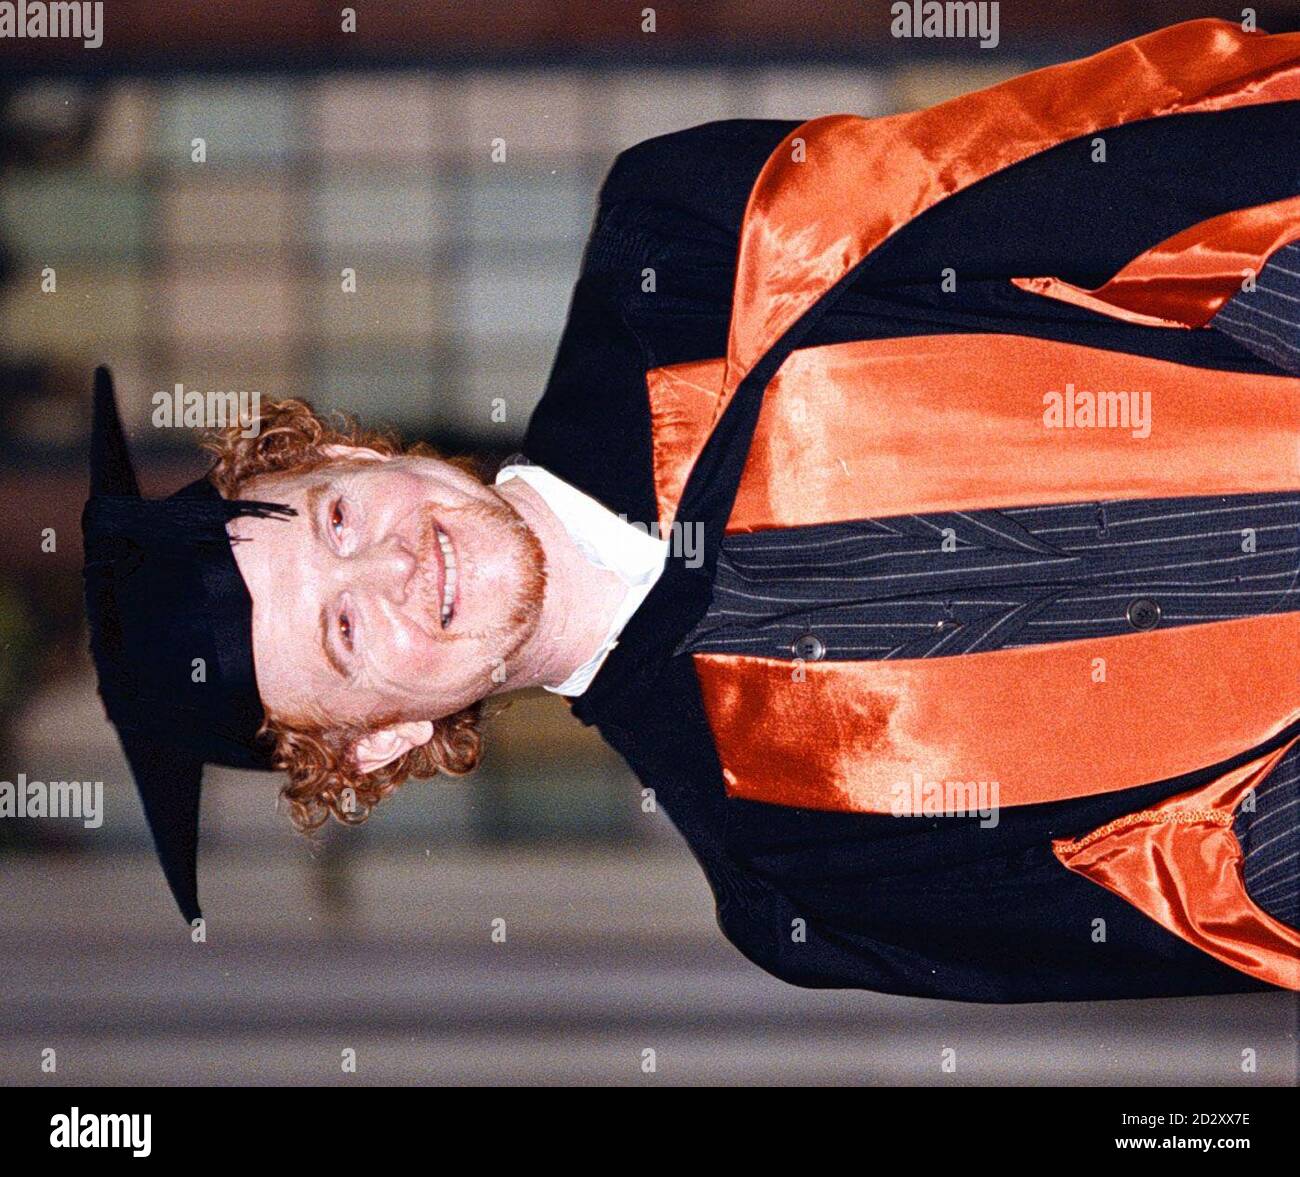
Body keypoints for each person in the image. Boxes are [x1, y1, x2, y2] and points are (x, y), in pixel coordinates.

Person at [84, 18, 1299, 1001]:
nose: (395, 565)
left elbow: (1161, 175)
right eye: (345, 632)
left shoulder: (689, 253)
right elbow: (1231, 890)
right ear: (380, 744)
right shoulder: (804, 884)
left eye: (336, 522)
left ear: (344, 449)